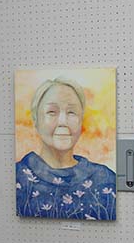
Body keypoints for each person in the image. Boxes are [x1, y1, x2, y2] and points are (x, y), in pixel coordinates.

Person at [15, 77, 116, 220]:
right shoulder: (17, 176)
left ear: (81, 120)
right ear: (35, 120)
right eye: (52, 112)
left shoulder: (105, 179)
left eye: (71, 112)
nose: (63, 121)